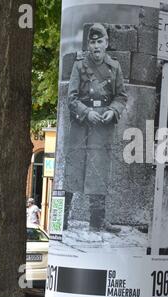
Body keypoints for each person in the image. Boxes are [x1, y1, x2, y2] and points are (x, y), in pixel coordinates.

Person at [64, 23, 128, 233]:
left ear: (106, 43)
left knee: (99, 170)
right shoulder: (79, 65)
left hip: (102, 125)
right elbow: (71, 97)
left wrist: (113, 111)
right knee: (74, 169)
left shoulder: (114, 66)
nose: (96, 46)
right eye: (92, 42)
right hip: (81, 125)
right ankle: (62, 220)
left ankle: (97, 222)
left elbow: (121, 96)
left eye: (100, 42)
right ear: (88, 45)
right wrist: (85, 112)